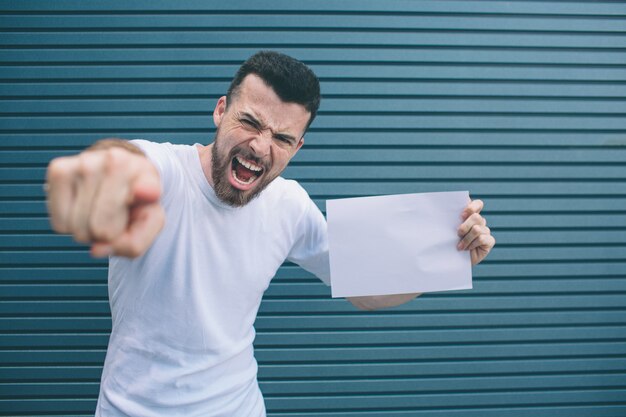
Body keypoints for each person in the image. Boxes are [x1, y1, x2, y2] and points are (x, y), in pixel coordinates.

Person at [45, 51, 495, 417]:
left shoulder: (289, 204)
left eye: (282, 137)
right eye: (251, 122)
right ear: (221, 110)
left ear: (297, 147)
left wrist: (449, 256)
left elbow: (364, 290)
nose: (261, 146)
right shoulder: (161, 169)